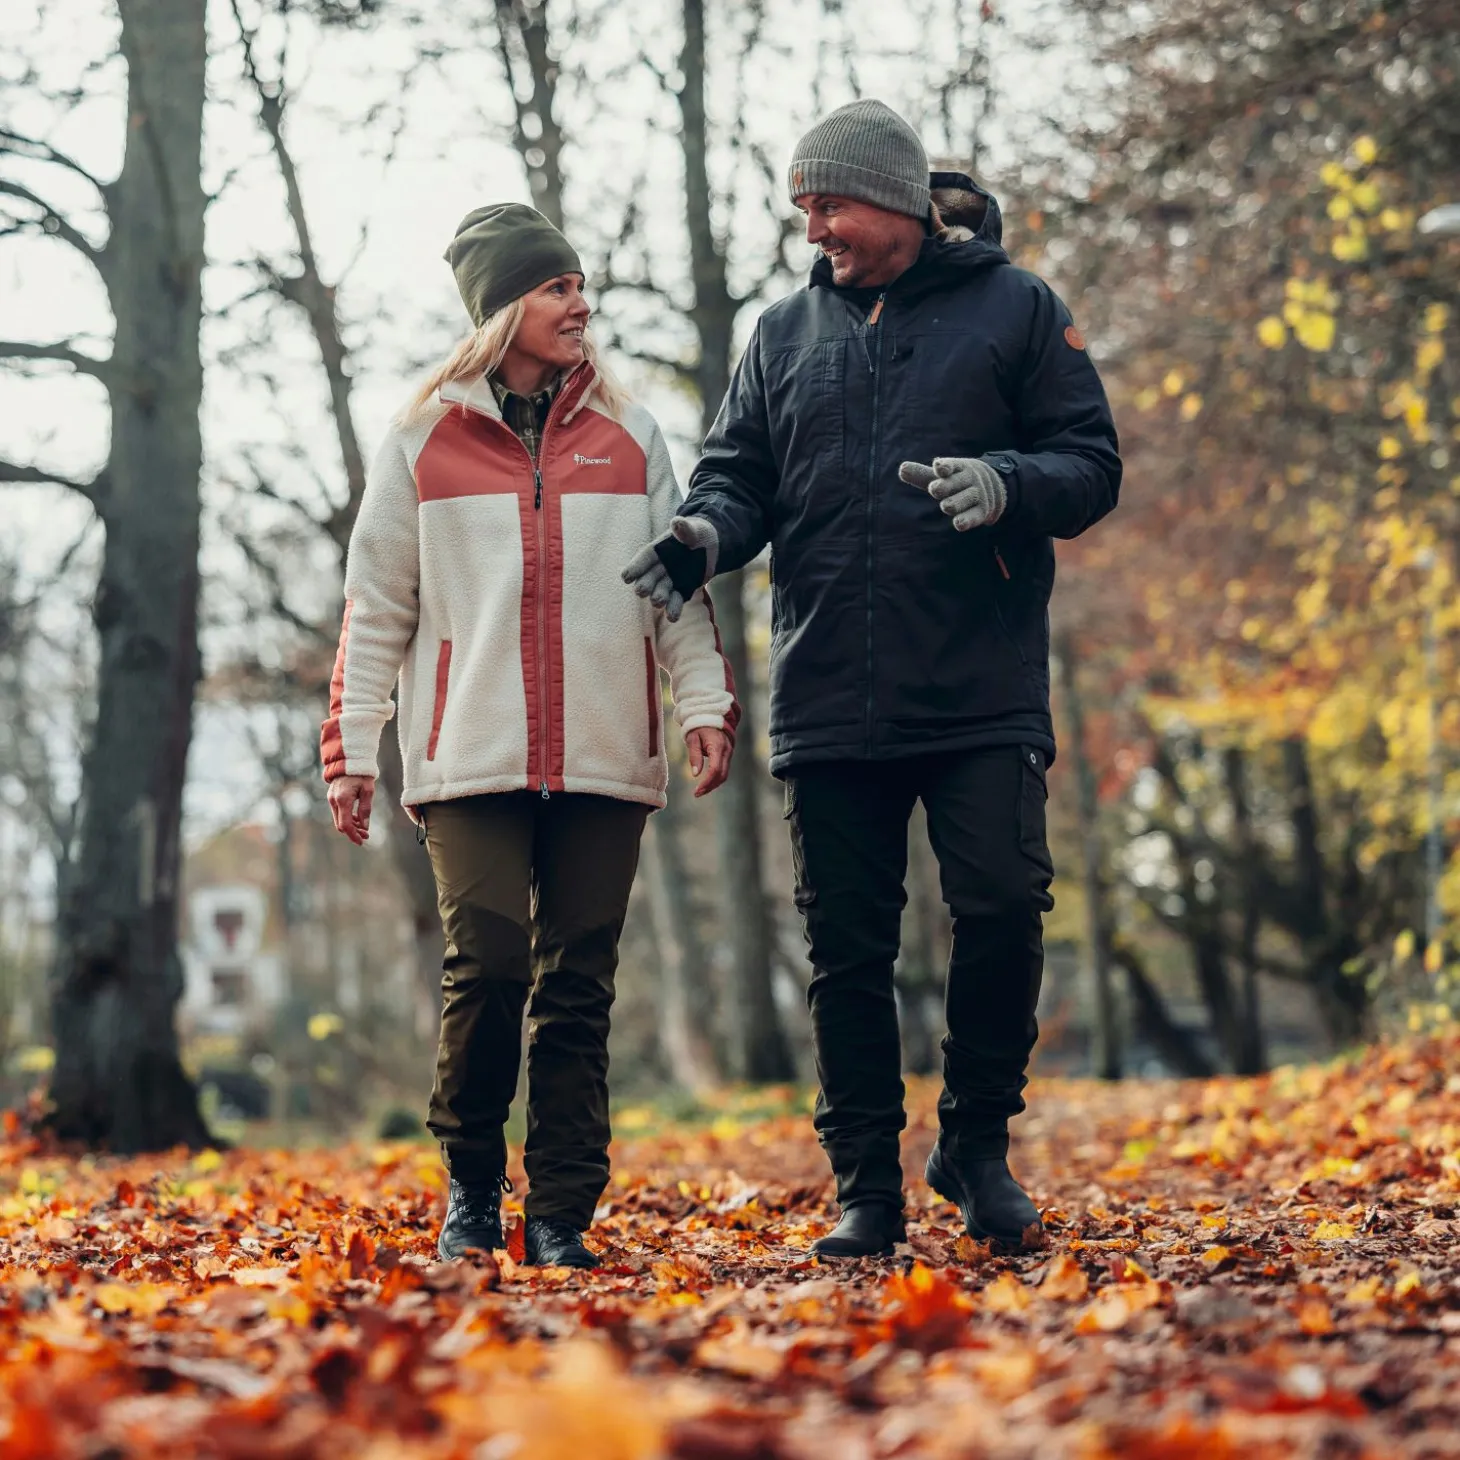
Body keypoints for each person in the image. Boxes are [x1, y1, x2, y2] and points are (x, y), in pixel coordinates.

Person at [624, 102, 1121, 1258]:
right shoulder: (781, 333)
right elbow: (738, 475)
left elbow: (1089, 464)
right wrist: (703, 533)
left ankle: (974, 1146)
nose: (813, 231)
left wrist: (1005, 482)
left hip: (978, 682)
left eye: (828, 206)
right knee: (846, 951)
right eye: (802, 211)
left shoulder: (1017, 308)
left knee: (1000, 904)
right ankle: (865, 1187)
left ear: (894, 201)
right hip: (827, 692)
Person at [324, 203, 739, 1269]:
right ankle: (470, 1186)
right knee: (489, 962)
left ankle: (559, 1209)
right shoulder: (422, 440)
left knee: (579, 985)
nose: (580, 305)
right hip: (469, 757)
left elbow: (677, 594)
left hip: (605, 753)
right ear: (505, 307)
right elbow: (377, 607)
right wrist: (353, 746)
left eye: (581, 286)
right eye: (558, 287)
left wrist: (701, 703)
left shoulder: (630, 437)